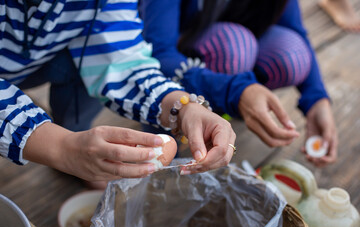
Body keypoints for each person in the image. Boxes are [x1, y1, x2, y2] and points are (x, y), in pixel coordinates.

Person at [0, 0, 236, 187]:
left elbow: (120, 54)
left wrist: (182, 107)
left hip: (36, 59)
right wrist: (59, 147)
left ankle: (77, 140)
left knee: (85, 58)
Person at [138, 0, 338, 166]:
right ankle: (168, 124)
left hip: (233, 46)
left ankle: (226, 107)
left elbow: (293, 28)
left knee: (292, 55)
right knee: (235, 46)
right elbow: (158, 52)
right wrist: (237, 90)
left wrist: (316, 100)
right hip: (184, 52)